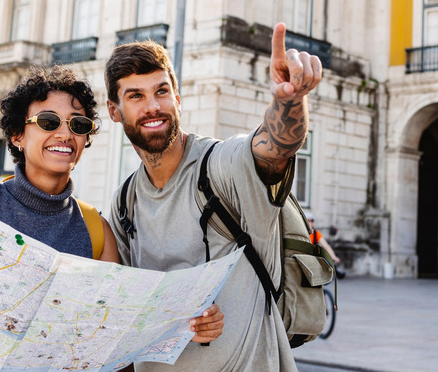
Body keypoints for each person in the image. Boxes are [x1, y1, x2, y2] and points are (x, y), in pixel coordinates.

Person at [0, 66, 225, 347]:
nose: (65, 134)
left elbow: (119, 328)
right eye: (49, 122)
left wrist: (186, 325)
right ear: (18, 135)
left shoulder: (98, 229)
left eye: (77, 125)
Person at [105, 22, 320, 371]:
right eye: (135, 96)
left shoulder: (222, 166)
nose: (153, 106)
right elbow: (122, 310)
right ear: (115, 112)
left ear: (177, 98)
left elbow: (274, 148)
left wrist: (290, 101)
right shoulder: (123, 201)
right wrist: (175, 322)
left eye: (161, 92)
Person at [307, 213, 345, 280]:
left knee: (326, 261)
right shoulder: (300, 233)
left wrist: (334, 257)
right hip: (302, 258)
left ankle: (335, 270)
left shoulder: (316, 233)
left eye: (312, 221)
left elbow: (326, 246)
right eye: (308, 220)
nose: (310, 223)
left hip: (312, 259)